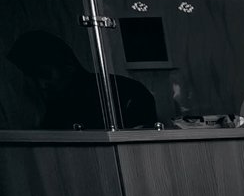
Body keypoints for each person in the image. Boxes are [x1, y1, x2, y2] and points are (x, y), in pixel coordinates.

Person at [7, 30, 157, 129]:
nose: (41, 84)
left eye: (45, 74)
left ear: (68, 66)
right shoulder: (54, 106)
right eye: (32, 77)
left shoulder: (124, 92)